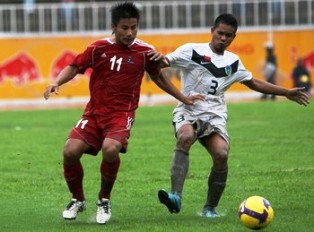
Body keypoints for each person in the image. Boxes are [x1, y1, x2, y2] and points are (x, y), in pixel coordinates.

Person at [43, 2, 203, 225]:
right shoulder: (98, 48)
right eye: (124, 28)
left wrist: (184, 98)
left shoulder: (145, 51)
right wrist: (56, 82)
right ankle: (77, 199)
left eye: (134, 28)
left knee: (110, 149)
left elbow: (159, 77)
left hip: (121, 114)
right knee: (70, 151)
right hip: (94, 113)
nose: (130, 33)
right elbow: (75, 66)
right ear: (113, 27)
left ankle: (104, 199)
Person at [148, 13, 310, 218]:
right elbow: (163, 62)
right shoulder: (192, 50)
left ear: (234, 37)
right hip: (188, 110)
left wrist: (286, 92)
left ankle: (209, 208)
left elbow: (254, 82)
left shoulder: (233, 62)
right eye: (220, 33)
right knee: (185, 137)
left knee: (221, 154)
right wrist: (156, 58)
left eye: (229, 35)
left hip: (214, 116)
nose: (223, 38)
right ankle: (175, 196)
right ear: (212, 31)